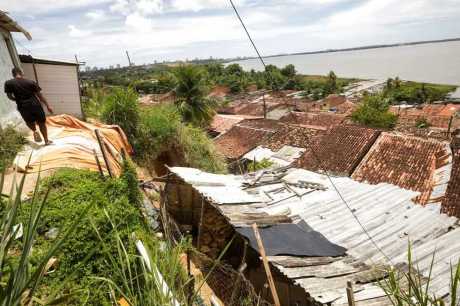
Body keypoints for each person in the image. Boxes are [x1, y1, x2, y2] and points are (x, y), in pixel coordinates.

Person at [4, 67, 54, 145]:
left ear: (13, 74)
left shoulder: (9, 83)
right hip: (35, 105)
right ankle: (46, 140)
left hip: (22, 106)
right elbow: (40, 96)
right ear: (21, 73)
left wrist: (16, 99)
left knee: (29, 121)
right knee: (41, 122)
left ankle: (35, 131)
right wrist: (48, 106)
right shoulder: (31, 82)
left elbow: (9, 96)